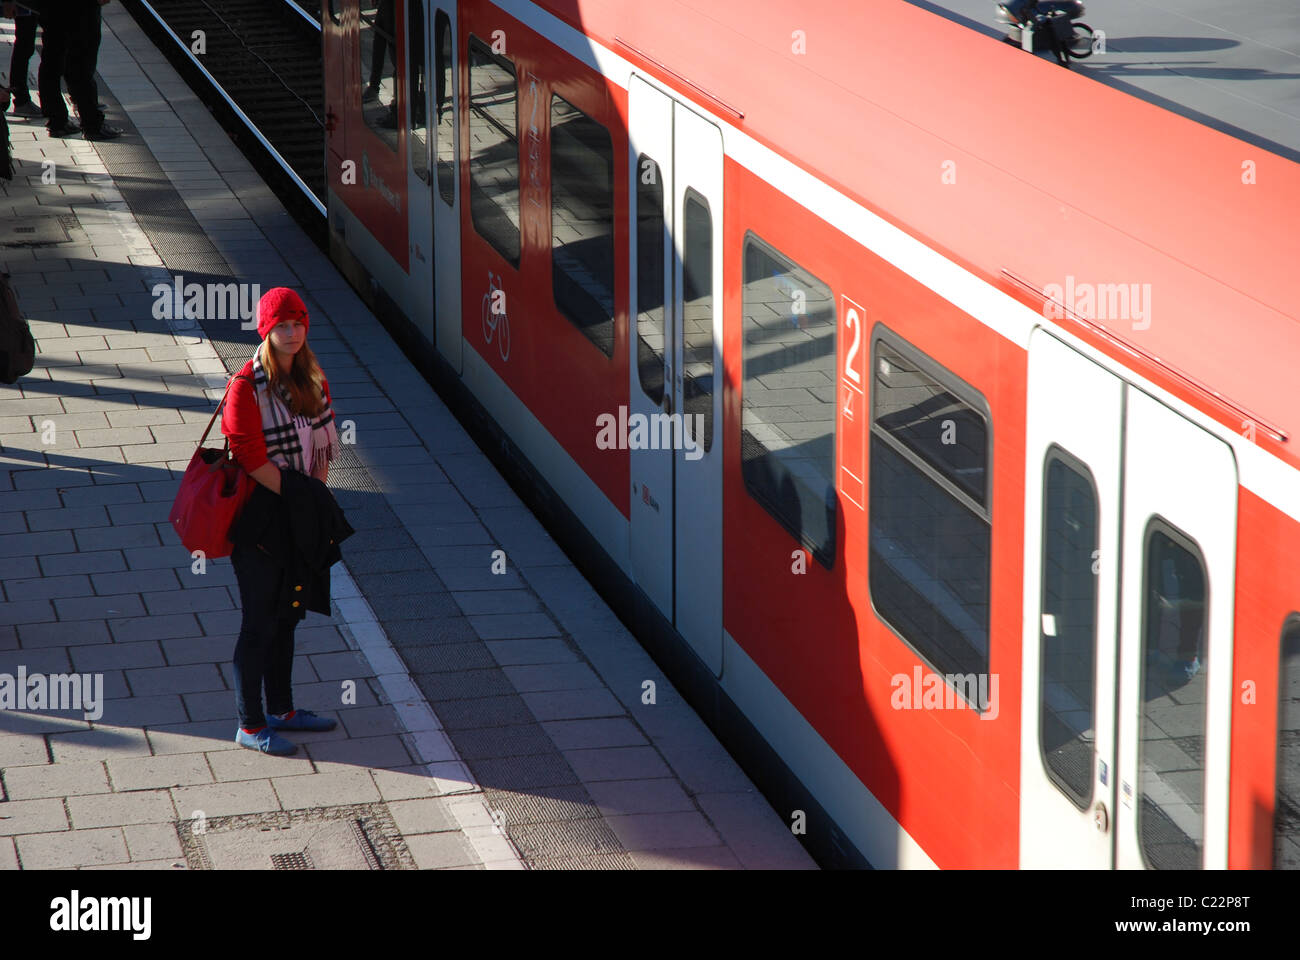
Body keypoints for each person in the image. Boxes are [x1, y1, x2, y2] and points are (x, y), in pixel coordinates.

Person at [221, 288, 344, 756]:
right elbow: (251, 458)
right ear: (266, 332)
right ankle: (250, 725)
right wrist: (301, 494)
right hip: (259, 518)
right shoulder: (245, 386)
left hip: (296, 511)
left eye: (298, 324)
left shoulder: (312, 376)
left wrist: (313, 493)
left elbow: (322, 445)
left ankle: (283, 709)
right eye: (281, 327)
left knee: (289, 616)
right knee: (259, 622)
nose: (291, 334)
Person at [37, 0, 120, 139]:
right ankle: (92, 125)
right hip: (81, 8)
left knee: (51, 59)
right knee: (81, 62)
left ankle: (57, 122)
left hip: (50, 7)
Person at [5, 3, 42, 118]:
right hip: (24, 4)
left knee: (25, 45)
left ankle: (21, 97)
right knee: (24, 45)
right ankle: (21, 98)